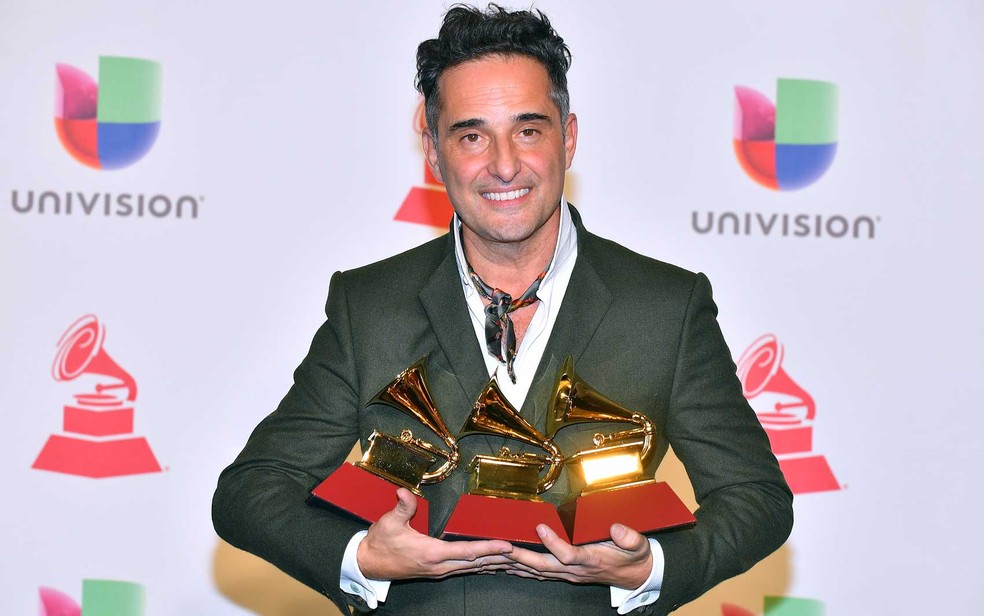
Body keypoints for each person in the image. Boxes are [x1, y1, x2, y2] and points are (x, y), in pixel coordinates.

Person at [212, 5, 793, 615]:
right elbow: (250, 491)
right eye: (471, 136)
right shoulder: (370, 306)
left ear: (568, 138)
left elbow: (756, 497)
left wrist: (650, 570)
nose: (504, 164)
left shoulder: (666, 306)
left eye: (528, 130)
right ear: (433, 153)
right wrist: (362, 558)